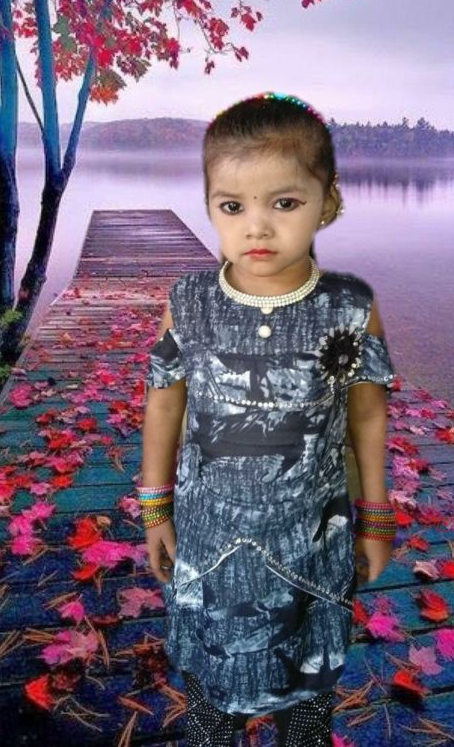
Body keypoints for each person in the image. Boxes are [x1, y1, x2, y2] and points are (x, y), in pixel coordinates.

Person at [139, 92, 398, 746]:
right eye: (233, 206)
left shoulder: (351, 307)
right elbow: (164, 401)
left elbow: (368, 415)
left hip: (310, 541)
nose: (257, 227)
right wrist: (155, 507)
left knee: (307, 703)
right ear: (209, 206)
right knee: (211, 701)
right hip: (209, 539)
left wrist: (376, 516)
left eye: (284, 203)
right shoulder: (189, 302)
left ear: (327, 202)